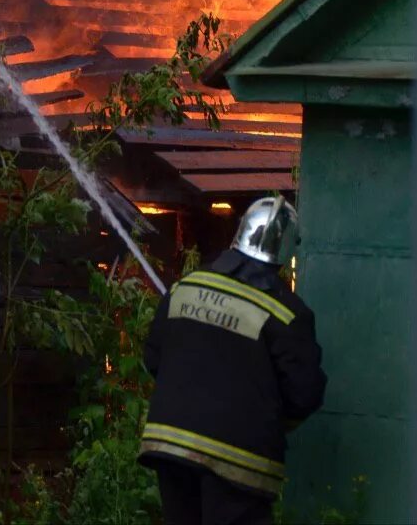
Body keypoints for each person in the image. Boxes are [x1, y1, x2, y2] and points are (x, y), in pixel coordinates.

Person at [139, 196, 327, 525]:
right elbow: (304, 395)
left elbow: (153, 358)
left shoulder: (185, 286)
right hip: (237, 462)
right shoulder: (286, 314)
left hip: (169, 447)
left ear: (240, 232)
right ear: (285, 250)